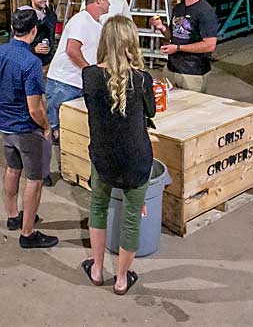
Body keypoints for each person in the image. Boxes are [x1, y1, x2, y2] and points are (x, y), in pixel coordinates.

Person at [81, 16, 156, 296]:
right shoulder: (142, 79)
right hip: (137, 160)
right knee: (132, 217)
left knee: (98, 207)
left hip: (103, 157)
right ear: (131, 43)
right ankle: (122, 279)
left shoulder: (88, 75)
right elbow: (151, 112)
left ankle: (98, 269)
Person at [0, 9, 58, 249]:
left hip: (5, 127)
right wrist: (46, 127)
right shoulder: (31, 63)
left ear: (13, 29)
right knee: (34, 180)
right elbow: (35, 108)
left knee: (13, 169)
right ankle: (27, 233)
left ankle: (13, 216)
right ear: (34, 31)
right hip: (26, 129)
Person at [45, 0, 111, 147]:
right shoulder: (81, 20)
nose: (110, 3)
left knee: (74, 131)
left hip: (77, 83)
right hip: (64, 83)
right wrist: (90, 71)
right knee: (61, 131)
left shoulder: (97, 24)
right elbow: (72, 49)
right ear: (99, 1)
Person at [149, 0, 219, 93]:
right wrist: (161, 27)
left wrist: (178, 48)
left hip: (192, 74)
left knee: (191, 109)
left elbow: (209, 45)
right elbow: (173, 35)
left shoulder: (205, 11)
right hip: (171, 69)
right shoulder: (178, 9)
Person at [18, 0, 57, 67]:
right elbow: (15, 43)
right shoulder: (23, 16)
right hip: (28, 63)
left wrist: (51, 50)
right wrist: (33, 49)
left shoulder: (51, 16)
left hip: (47, 63)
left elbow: (52, 38)